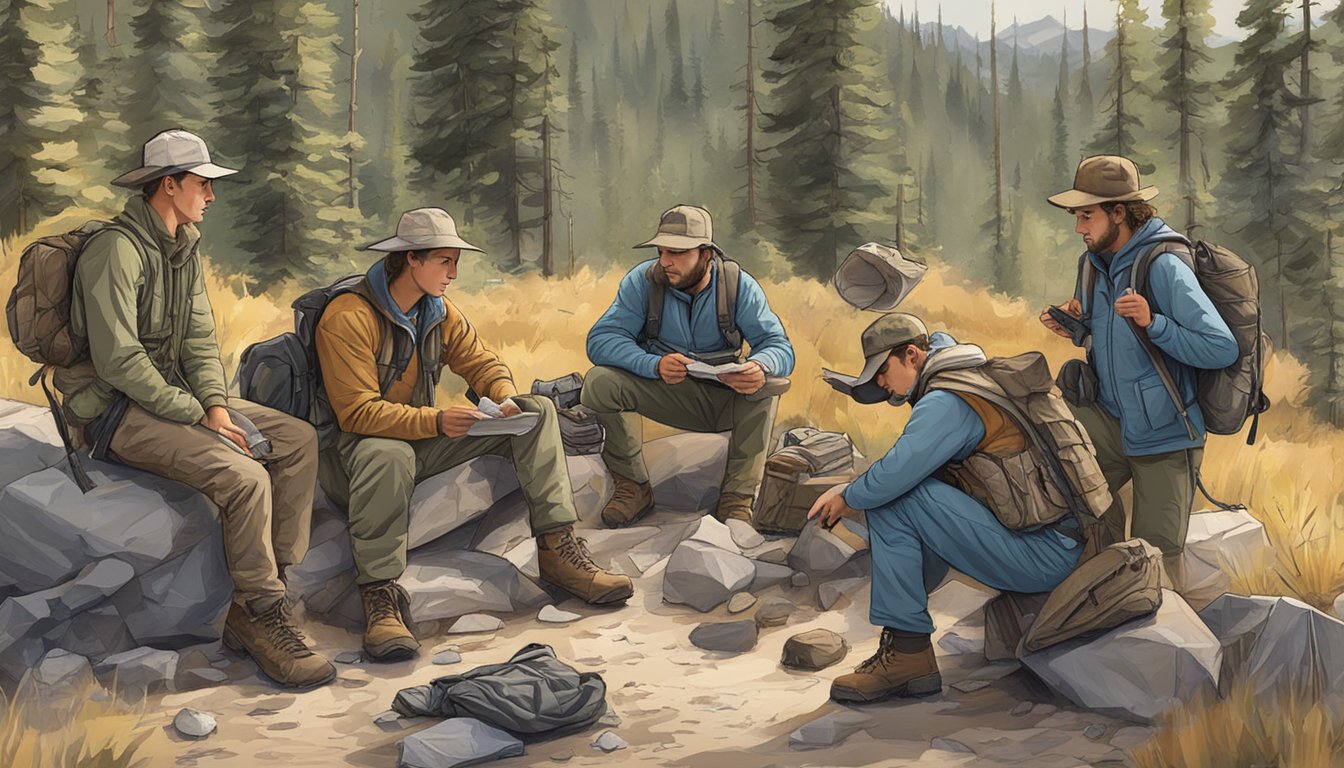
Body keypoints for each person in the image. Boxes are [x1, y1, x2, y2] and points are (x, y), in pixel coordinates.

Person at [67, 129, 332, 689]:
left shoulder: (183, 249)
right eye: (203, 184)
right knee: (245, 477)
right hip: (116, 413)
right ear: (170, 185)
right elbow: (118, 362)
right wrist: (196, 413)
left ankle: (269, 588)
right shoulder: (112, 251)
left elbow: (199, 344)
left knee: (296, 440)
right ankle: (259, 616)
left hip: (175, 401)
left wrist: (215, 405)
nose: (211, 196)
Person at [314, 207, 633, 662]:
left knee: (537, 409)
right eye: (445, 260)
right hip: (354, 454)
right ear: (411, 260)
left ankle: (558, 550)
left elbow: (481, 362)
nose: (454, 272)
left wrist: (501, 396)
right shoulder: (347, 316)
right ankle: (379, 596)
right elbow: (356, 413)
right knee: (388, 456)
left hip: (420, 436)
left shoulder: (437, 312)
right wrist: (437, 422)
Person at [812, 313, 1084, 703]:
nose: (882, 385)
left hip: (1044, 554)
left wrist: (847, 496)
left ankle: (908, 654)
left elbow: (894, 475)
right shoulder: (967, 377)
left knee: (894, 500)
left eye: (882, 372)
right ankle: (905, 639)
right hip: (1054, 541)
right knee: (911, 494)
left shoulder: (948, 400)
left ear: (911, 355)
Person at [1040, 155, 1238, 563]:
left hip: (1165, 437)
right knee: (1070, 515)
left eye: (1086, 216)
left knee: (1158, 562)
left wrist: (1155, 323)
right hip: (1112, 426)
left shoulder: (1163, 264)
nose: (1079, 228)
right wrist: (1076, 328)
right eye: (1077, 216)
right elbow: (1112, 343)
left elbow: (1221, 347)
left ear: (1119, 212)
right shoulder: (1092, 265)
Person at [582, 205, 794, 535]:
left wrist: (758, 365)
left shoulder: (738, 285)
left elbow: (779, 346)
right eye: (662, 251)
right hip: (668, 393)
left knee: (767, 384)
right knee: (599, 383)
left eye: (677, 252)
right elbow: (601, 340)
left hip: (728, 400)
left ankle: (738, 499)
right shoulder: (643, 282)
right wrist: (652, 364)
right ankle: (633, 488)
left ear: (706, 254)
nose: (665, 261)